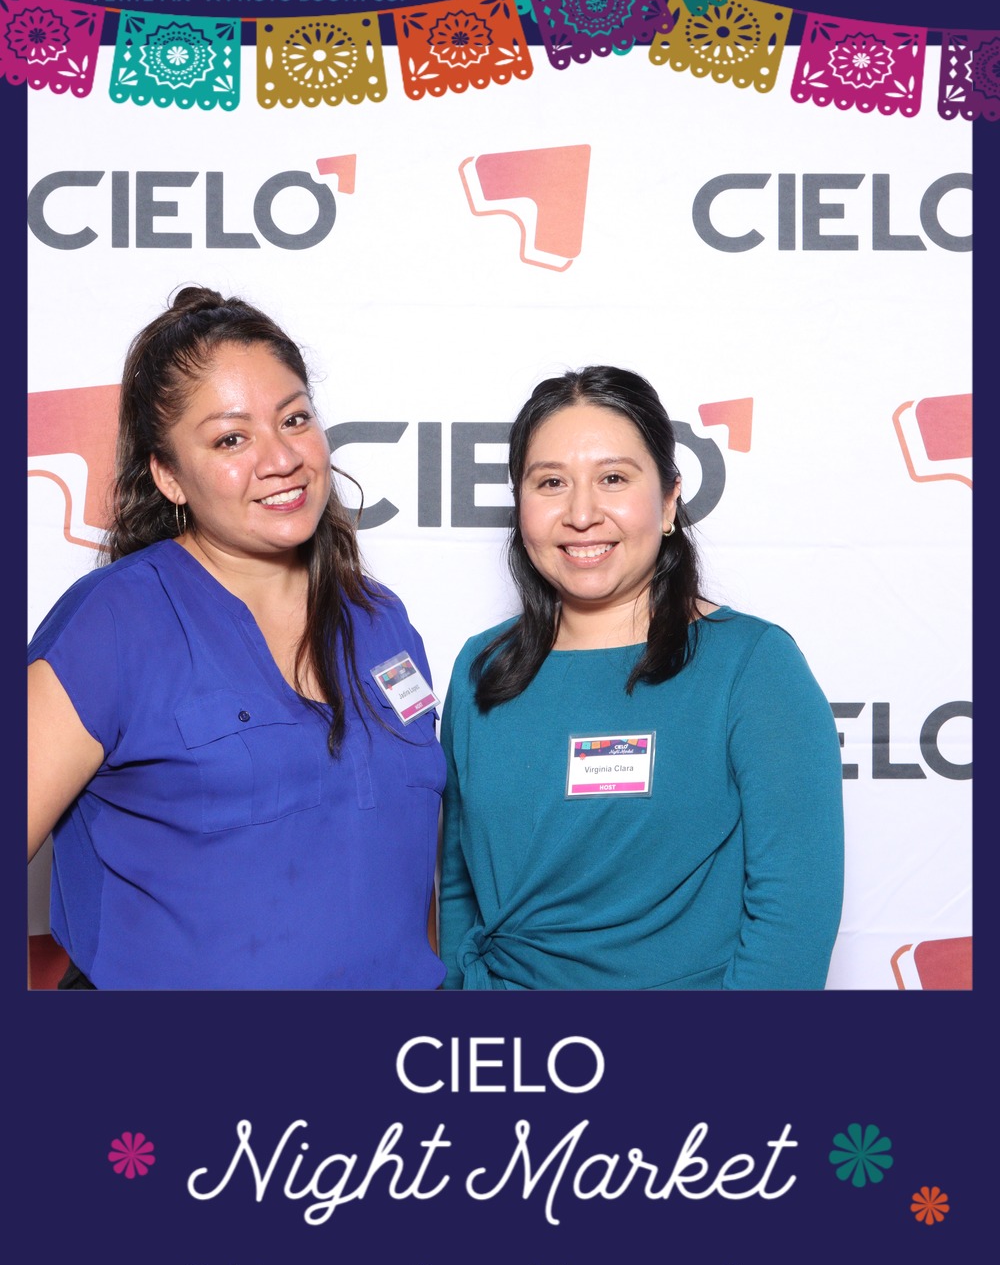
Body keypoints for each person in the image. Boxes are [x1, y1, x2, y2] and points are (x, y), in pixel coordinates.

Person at [27, 287, 445, 990]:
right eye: (231, 439)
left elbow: (403, 873)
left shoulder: (382, 621)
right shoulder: (112, 625)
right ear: (169, 476)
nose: (280, 458)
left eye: (294, 419)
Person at [439, 365, 844, 991]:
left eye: (613, 479)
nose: (581, 514)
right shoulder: (481, 669)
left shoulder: (752, 667)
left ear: (669, 500)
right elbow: (457, 891)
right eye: (551, 482)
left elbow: (793, 926)